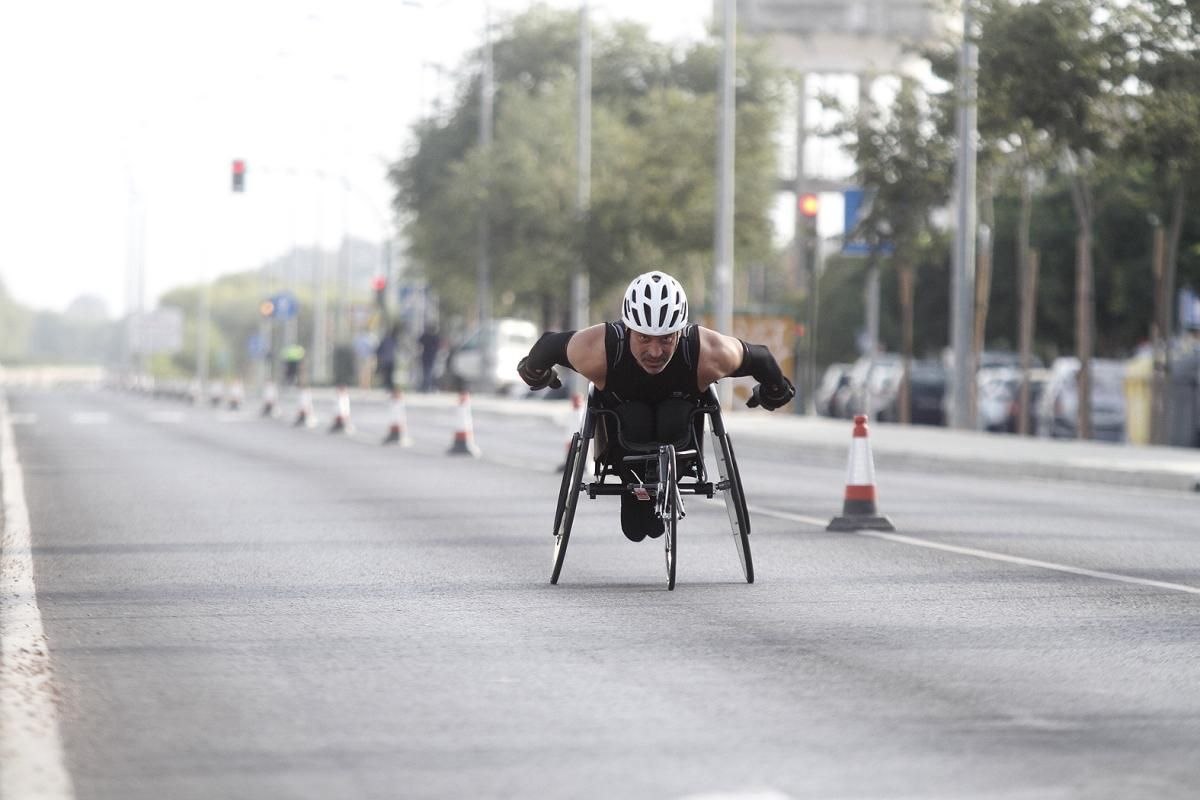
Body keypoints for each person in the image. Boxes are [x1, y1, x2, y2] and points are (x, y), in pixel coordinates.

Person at [517, 270, 794, 542]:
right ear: (627, 329)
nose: (654, 351)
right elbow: (548, 346)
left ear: (680, 332)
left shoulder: (704, 351)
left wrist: (775, 391)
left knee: (672, 414)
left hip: (680, 438)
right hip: (622, 443)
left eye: (666, 339)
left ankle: (666, 485)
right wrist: (536, 372)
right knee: (634, 421)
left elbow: (761, 358)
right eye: (643, 338)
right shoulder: (600, 348)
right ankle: (637, 491)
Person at [418, 324, 442, 393]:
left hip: (428, 357)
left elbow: (419, 341)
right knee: (429, 372)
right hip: (430, 357)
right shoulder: (434, 337)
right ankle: (427, 386)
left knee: (428, 372)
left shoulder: (427, 336)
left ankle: (427, 386)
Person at [376, 323, 399, 393]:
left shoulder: (386, 340)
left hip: (386, 360)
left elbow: (378, 350)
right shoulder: (393, 340)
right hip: (390, 359)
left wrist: (379, 357)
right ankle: (389, 386)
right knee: (389, 374)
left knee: (387, 374)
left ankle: (388, 386)